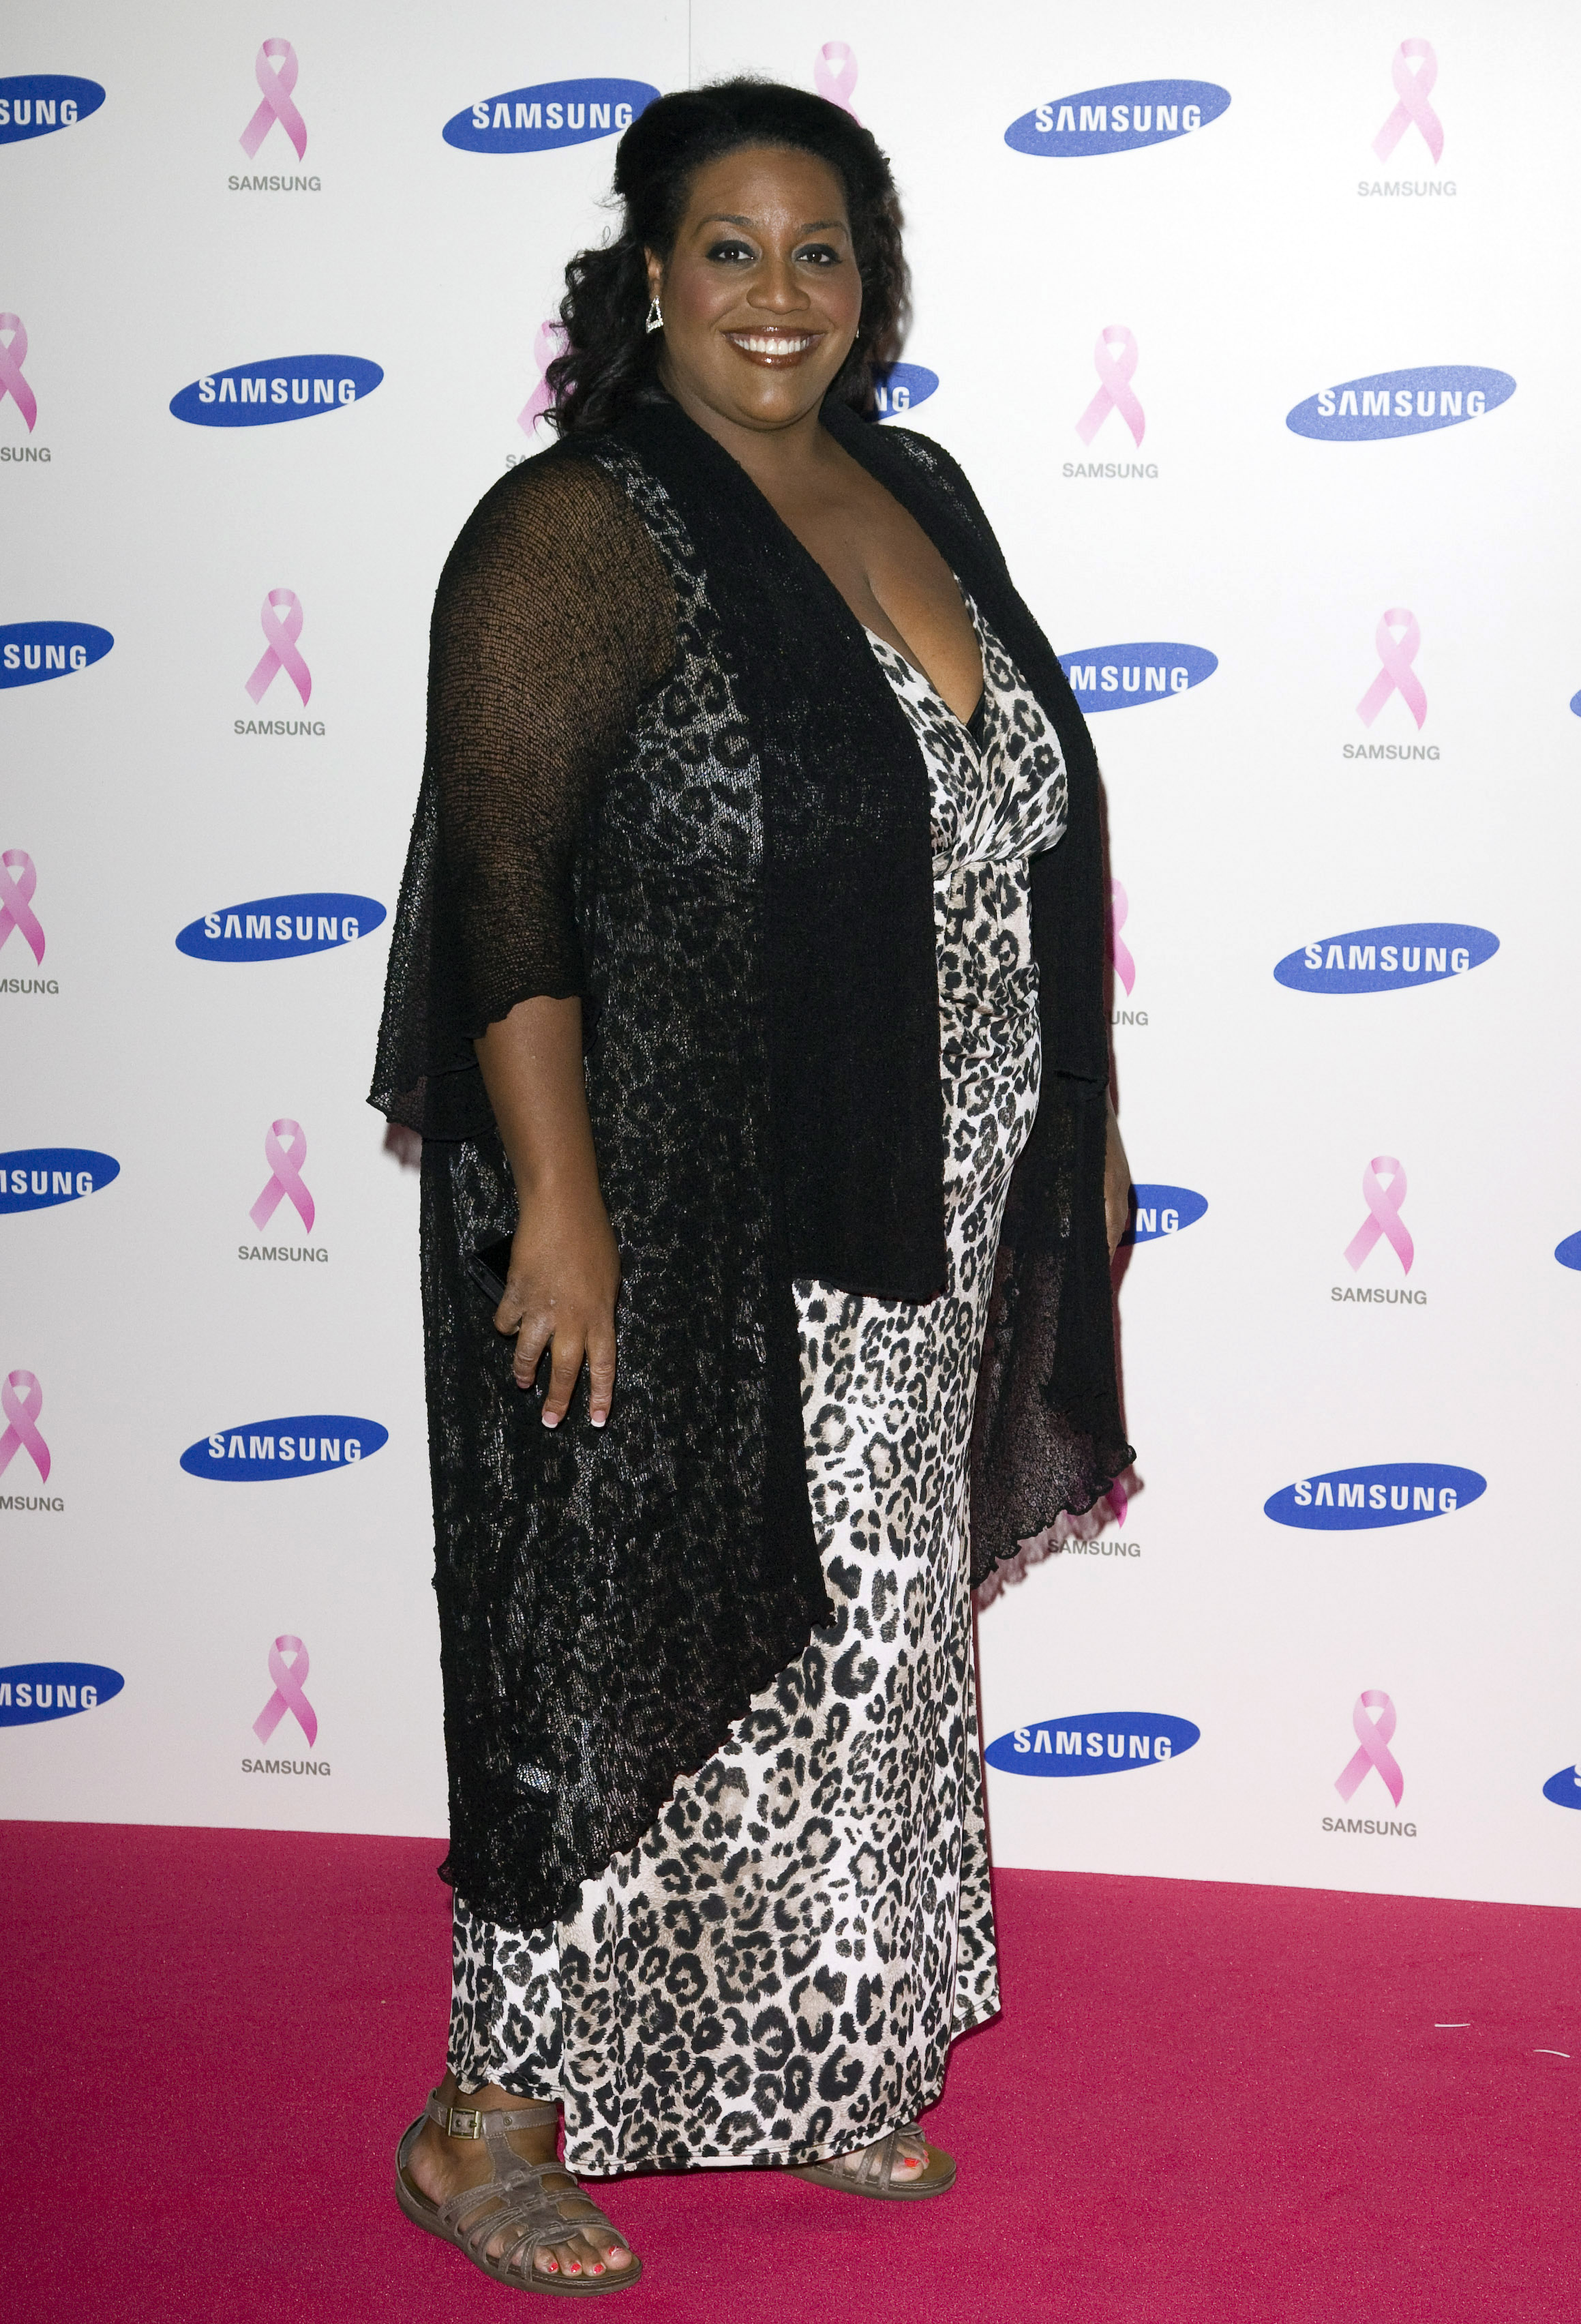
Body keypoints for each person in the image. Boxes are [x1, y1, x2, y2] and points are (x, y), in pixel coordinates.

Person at [371, 76, 1133, 2295]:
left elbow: (1007, 828)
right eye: (731, 249)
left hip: (923, 1181)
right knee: (595, 1640)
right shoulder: (576, 530)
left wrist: (1072, 1111)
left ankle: (811, 2057)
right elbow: (504, 902)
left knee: (866, 1639)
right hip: (673, 1199)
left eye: (822, 251)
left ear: (871, 282)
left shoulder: (922, 486)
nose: (778, 295)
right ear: (647, 274)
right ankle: (482, 2115)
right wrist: (564, 1210)